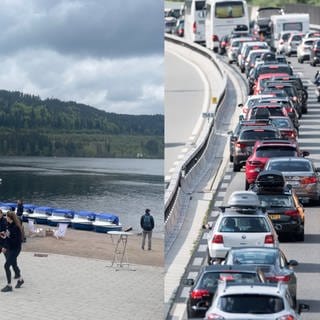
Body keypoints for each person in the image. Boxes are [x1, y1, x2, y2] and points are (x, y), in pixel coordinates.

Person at [0, 211, 24, 292]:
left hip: (16, 248)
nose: (6, 218)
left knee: (6, 265)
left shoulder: (16, 227)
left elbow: (17, 241)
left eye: (6, 216)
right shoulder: (8, 225)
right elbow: (7, 237)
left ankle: (9, 285)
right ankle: (20, 280)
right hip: (10, 248)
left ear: (10, 217)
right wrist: (4, 245)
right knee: (13, 264)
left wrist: (7, 237)